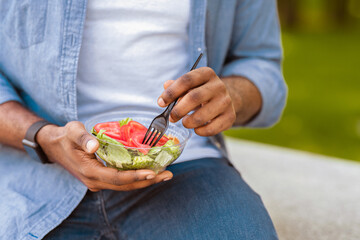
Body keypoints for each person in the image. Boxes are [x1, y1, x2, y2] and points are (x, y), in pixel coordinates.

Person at [0, 0, 287, 239]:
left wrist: (231, 96)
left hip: (182, 169)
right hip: (33, 170)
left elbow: (260, 62)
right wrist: (42, 137)